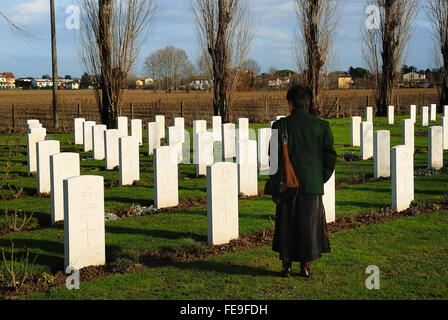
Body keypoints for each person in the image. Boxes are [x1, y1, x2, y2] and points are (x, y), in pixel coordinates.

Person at [270, 84, 337, 278]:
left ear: (290, 103)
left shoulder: (279, 126)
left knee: (286, 224)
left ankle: (287, 265)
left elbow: (273, 158)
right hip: (312, 185)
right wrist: (319, 178)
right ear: (308, 103)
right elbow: (330, 157)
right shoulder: (322, 126)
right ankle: (306, 266)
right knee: (309, 226)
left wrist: (276, 182)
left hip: (286, 185)